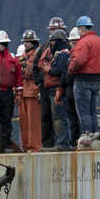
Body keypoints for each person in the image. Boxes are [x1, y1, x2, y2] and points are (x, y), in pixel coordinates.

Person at [68, 15, 100, 147]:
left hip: (82, 79)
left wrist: (71, 68)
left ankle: (86, 133)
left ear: (81, 28)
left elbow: (79, 60)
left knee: (83, 110)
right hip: (96, 79)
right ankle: (95, 132)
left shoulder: (83, 42)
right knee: (92, 109)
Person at [32, 16, 66, 148]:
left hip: (59, 87)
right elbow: (36, 66)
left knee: (60, 117)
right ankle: (47, 144)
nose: (54, 32)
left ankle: (61, 143)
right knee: (46, 117)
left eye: (57, 29)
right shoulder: (45, 47)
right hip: (45, 88)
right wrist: (39, 83)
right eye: (53, 29)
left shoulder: (66, 46)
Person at [45, 29, 73, 150]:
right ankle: (61, 141)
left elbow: (60, 71)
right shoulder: (61, 54)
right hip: (56, 89)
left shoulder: (63, 55)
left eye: (52, 42)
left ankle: (62, 143)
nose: (51, 45)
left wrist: (48, 69)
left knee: (60, 118)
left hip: (58, 90)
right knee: (58, 118)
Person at [18, 30, 42, 152]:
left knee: (34, 123)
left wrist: (23, 68)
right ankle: (26, 146)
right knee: (24, 123)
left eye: (28, 42)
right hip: (22, 92)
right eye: (25, 42)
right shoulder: (23, 55)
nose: (26, 44)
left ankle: (34, 146)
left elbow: (33, 72)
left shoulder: (37, 55)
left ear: (34, 42)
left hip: (32, 92)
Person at [65, 26, 82, 144]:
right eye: (72, 42)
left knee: (81, 116)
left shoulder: (80, 56)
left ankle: (80, 140)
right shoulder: (67, 56)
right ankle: (73, 141)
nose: (74, 44)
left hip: (79, 88)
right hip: (69, 90)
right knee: (72, 119)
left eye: (76, 42)